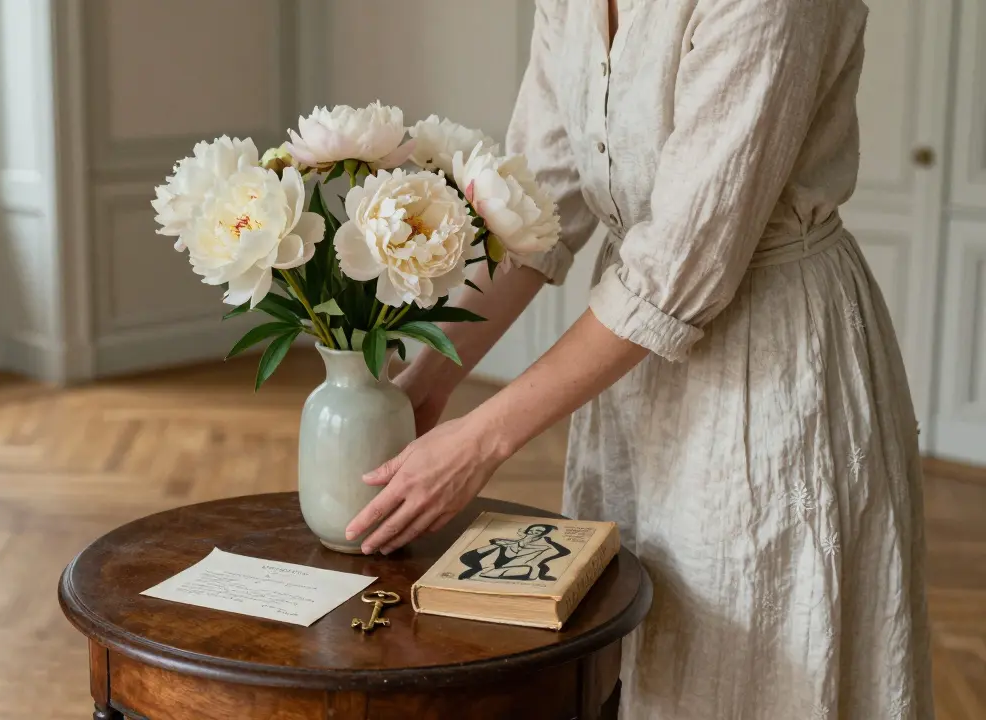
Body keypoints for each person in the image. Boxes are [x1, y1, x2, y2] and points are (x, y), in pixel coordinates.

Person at [342, 0, 933, 717]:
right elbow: (536, 206)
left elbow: (679, 267)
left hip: (768, 365)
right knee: (638, 645)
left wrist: (479, 441)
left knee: (754, 667)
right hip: (630, 374)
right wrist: (427, 379)